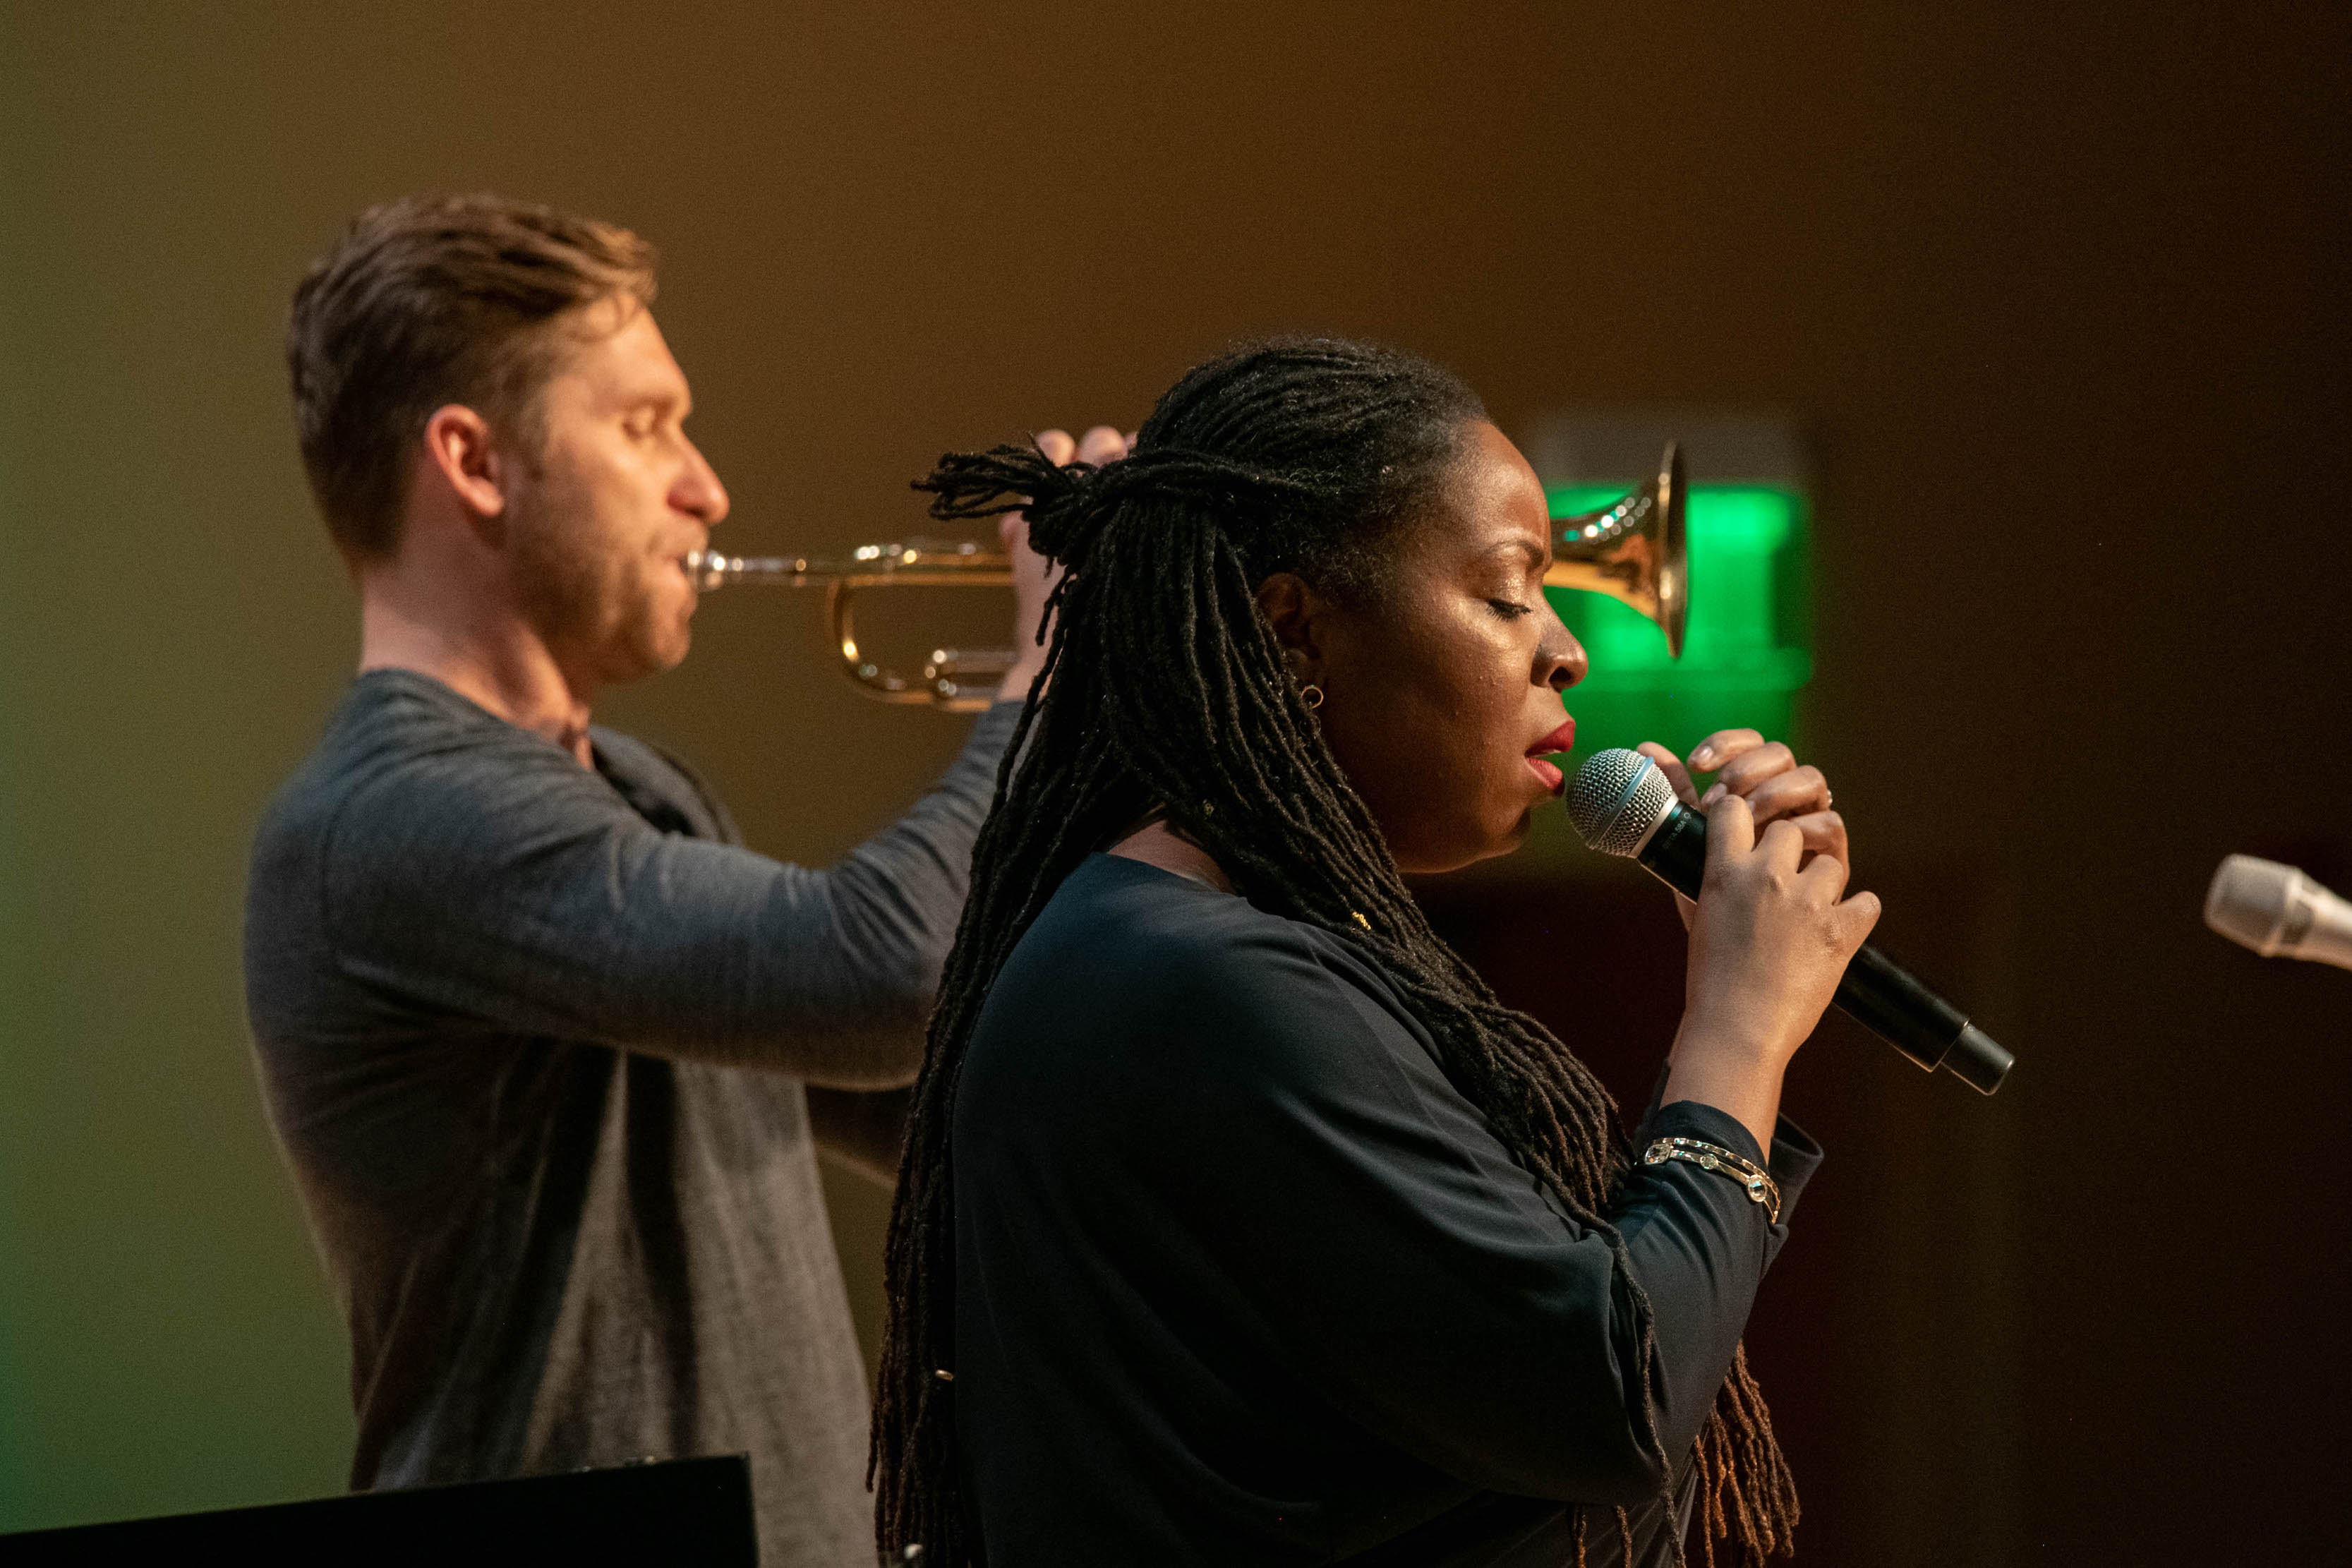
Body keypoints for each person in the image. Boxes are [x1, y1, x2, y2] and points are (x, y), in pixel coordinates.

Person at [871, 339, 1878, 1567]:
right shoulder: (1203, 983)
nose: (1567, 648)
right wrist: (1735, 1028)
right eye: (1509, 592)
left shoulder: (1194, 948)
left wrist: (1742, 1019)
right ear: (1294, 630)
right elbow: (1607, 1391)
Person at [243, 193, 1120, 1567]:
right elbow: (879, 977)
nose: (706, 485)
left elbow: (937, 1108)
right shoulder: (391, 816)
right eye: (644, 425)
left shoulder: (635, 791)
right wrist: (1052, 671)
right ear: (475, 462)